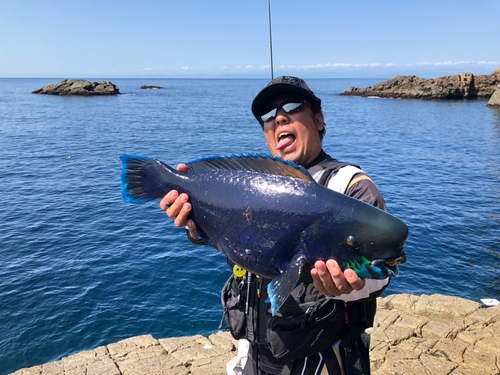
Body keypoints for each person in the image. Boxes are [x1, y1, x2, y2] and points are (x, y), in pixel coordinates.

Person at [160, 76, 390, 375]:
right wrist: (197, 228)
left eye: (292, 106)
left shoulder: (350, 188)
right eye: (267, 115)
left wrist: (347, 285)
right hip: (254, 349)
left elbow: (380, 269)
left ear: (319, 119)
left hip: (322, 358)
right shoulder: (256, 187)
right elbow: (235, 239)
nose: (278, 117)